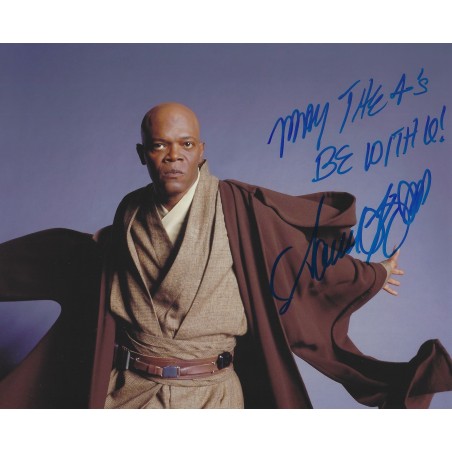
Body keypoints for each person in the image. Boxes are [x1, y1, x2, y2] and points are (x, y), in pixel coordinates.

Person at [0, 103, 451, 408]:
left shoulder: (237, 207)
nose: (173, 156)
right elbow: (91, 259)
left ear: (201, 151)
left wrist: (369, 274)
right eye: (159, 145)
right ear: (143, 154)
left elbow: (295, 260)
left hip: (212, 395)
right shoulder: (130, 212)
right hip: (129, 392)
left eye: (186, 144)